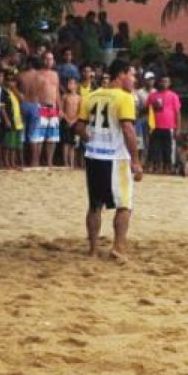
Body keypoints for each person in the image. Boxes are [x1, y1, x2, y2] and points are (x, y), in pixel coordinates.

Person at [74, 59, 143, 261]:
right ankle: (118, 247)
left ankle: (93, 249)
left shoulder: (92, 96)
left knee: (95, 205)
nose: (133, 79)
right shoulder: (124, 98)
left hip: (94, 155)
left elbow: (79, 127)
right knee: (124, 205)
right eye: (131, 74)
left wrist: (92, 138)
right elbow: (128, 129)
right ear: (121, 74)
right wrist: (136, 159)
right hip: (116, 157)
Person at [29, 51, 62, 167]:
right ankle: (35, 160)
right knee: (38, 135)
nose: (49, 61)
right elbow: (34, 92)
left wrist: (60, 108)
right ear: (43, 60)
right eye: (47, 59)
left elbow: (57, 92)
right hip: (41, 106)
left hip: (52, 107)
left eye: (51, 59)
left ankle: (49, 161)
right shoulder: (37, 74)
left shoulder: (55, 74)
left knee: (52, 136)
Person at [146, 76, 181, 174]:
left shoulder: (174, 96)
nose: (164, 83)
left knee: (168, 148)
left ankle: (167, 168)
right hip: (155, 126)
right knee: (153, 148)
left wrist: (178, 128)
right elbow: (147, 109)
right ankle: (153, 167)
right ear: (159, 83)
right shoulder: (153, 95)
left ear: (169, 83)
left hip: (169, 126)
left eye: (166, 81)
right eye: (162, 81)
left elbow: (177, 112)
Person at [60, 77, 83, 170]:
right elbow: (61, 110)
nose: (70, 85)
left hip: (75, 122)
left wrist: (73, 121)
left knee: (73, 144)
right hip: (66, 121)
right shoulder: (65, 96)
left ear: (76, 85)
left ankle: (72, 163)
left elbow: (80, 112)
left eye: (72, 83)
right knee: (66, 143)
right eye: (69, 83)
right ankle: (65, 163)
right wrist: (67, 119)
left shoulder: (79, 98)